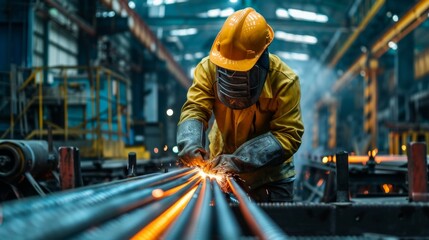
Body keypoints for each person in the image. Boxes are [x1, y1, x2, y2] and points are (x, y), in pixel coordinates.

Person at [176, 7, 304, 202]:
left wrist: (238, 161)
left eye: (240, 71)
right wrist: (190, 142)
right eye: (227, 70)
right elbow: (195, 108)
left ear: (261, 59)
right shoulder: (207, 69)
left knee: (271, 230)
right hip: (220, 170)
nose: (232, 76)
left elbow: (288, 135)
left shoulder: (285, 81)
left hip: (271, 178)